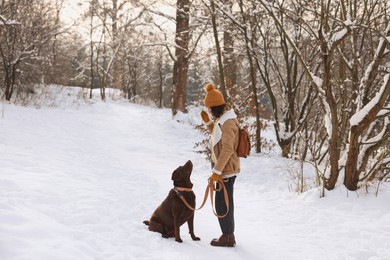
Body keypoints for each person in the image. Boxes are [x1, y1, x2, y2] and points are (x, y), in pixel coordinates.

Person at [200, 83, 240, 247]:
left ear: (215, 107)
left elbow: (228, 148)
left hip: (226, 169)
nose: (209, 111)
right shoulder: (222, 119)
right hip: (223, 169)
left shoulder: (228, 122)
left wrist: (217, 171)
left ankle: (228, 236)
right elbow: (218, 137)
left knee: (223, 203)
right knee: (223, 202)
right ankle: (228, 235)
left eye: (210, 109)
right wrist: (209, 123)